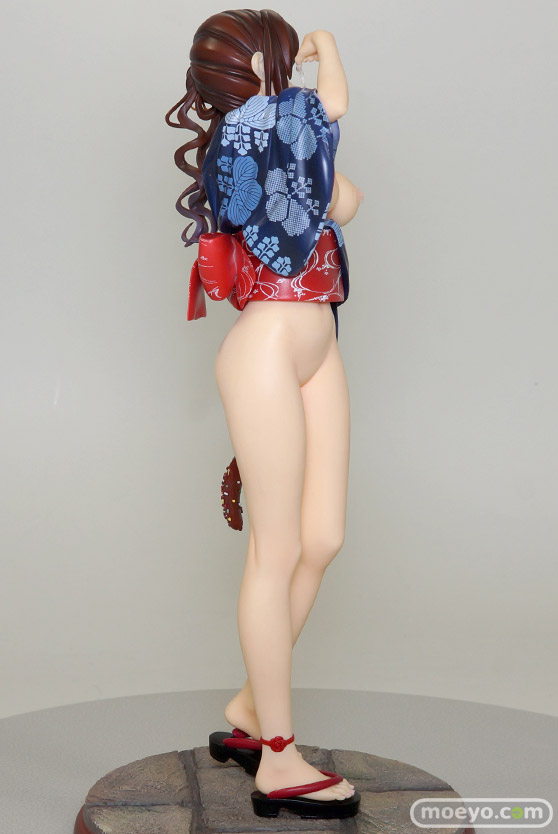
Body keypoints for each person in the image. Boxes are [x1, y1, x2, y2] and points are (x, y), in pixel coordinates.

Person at [165, 8, 363, 819]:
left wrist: (335, 191)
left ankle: (251, 705)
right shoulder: (266, 127)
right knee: (276, 550)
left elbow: (336, 192)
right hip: (267, 350)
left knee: (323, 538)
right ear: (258, 69)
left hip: (316, 340)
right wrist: (328, 47)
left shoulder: (273, 129)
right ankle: (277, 756)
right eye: (282, 57)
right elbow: (342, 182)